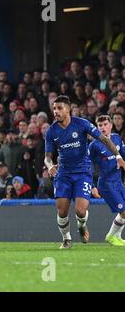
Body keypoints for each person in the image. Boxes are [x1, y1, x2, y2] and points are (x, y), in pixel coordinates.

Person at [44, 96, 125, 249]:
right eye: (54, 108)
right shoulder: (51, 131)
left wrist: (118, 157)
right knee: (62, 211)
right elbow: (47, 157)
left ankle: (82, 226)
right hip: (63, 174)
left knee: (81, 211)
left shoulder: (81, 124)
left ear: (68, 109)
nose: (56, 111)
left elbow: (105, 140)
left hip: (82, 172)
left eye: (59, 108)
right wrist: (49, 166)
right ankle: (67, 239)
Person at [88, 115, 125, 246]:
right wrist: (92, 185)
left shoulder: (116, 138)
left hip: (118, 182)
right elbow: (88, 166)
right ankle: (110, 236)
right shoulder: (94, 145)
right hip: (106, 184)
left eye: (105, 125)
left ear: (111, 125)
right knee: (124, 211)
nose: (103, 128)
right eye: (100, 126)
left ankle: (117, 236)